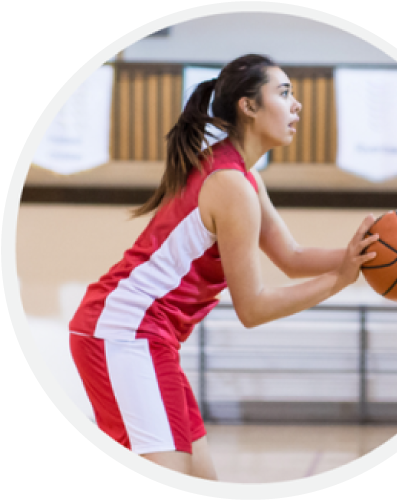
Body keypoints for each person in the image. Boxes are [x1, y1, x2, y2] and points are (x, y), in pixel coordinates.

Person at [69, 54, 378, 480]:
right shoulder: (231, 185)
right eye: (284, 93)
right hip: (126, 330)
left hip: (149, 338)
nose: (297, 105)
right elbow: (252, 308)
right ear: (248, 106)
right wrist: (339, 281)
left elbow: (290, 257)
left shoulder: (245, 177)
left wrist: (362, 256)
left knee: (203, 481)